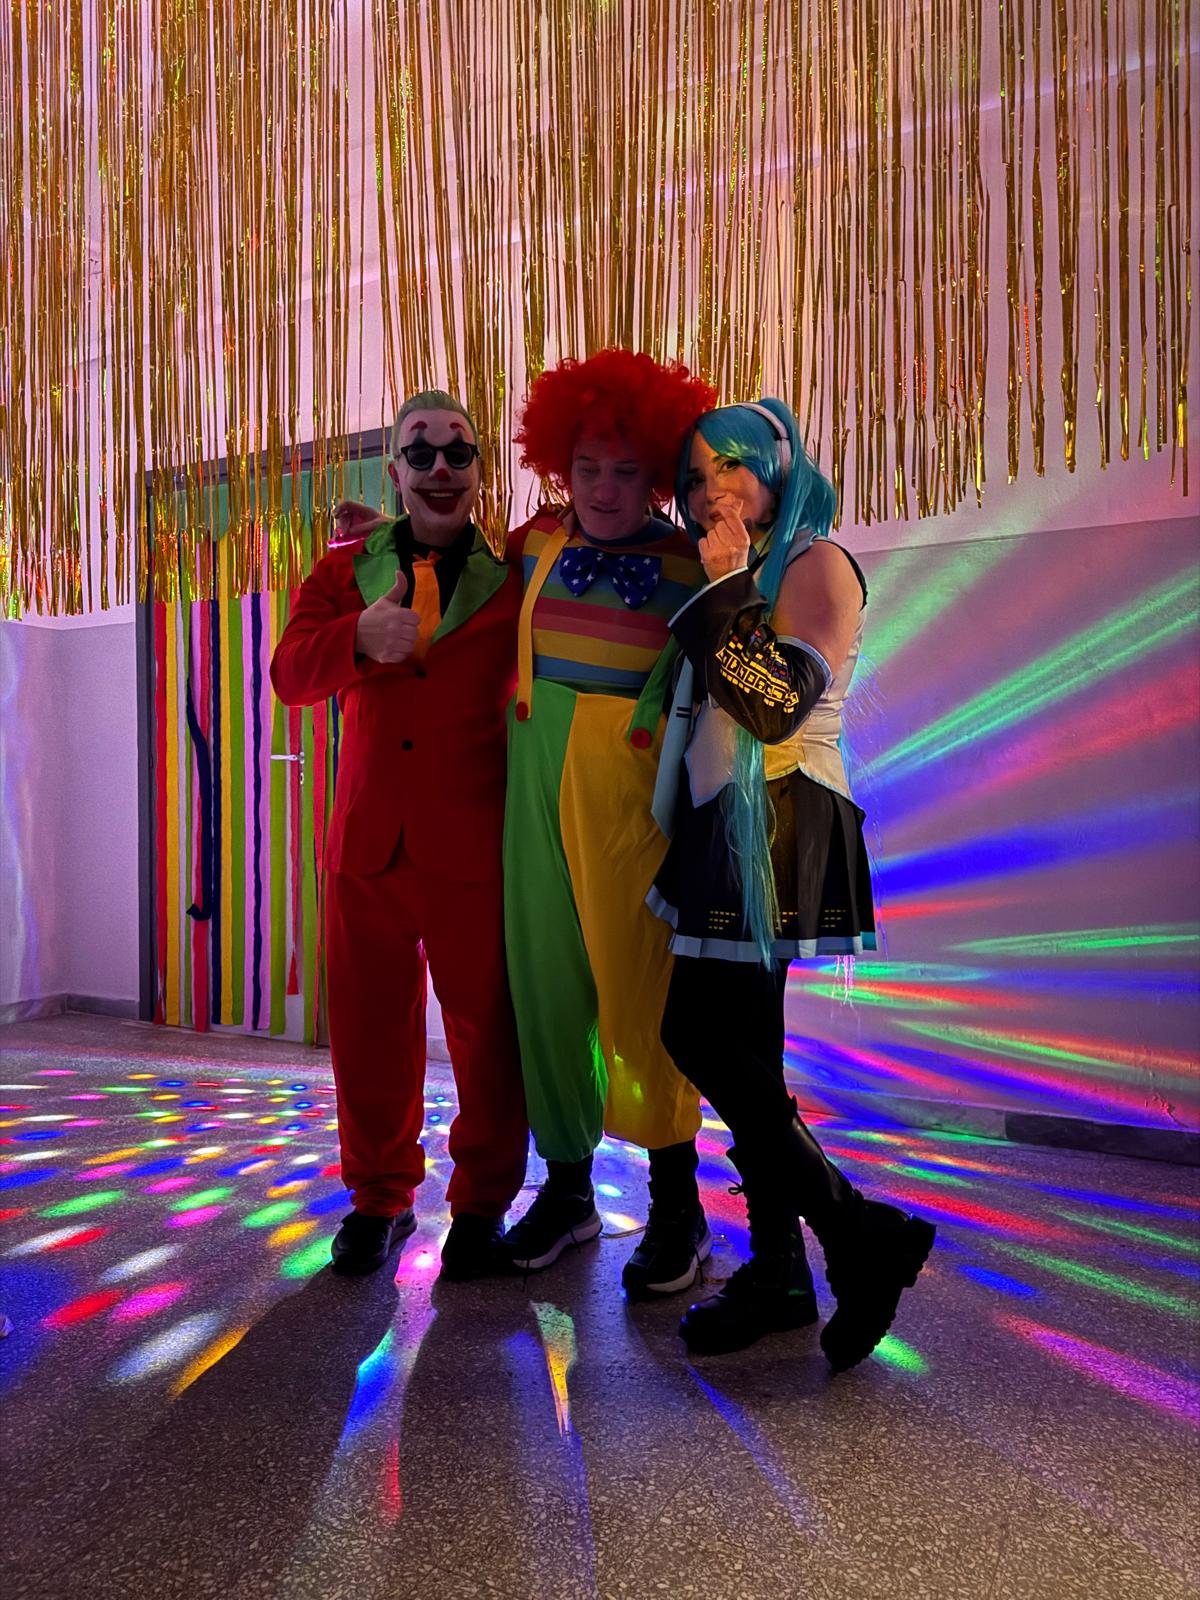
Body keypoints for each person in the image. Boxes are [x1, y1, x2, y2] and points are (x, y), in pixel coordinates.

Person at [649, 398, 935, 1370]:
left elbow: (775, 706)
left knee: (700, 1036)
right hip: (726, 822)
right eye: (694, 477)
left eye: (731, 464)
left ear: (779, 466)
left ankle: (854, 1234)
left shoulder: (816, 562)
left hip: (776, 822)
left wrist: (726, 583)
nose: (710, 490)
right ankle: (788, 1265)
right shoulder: (755, 564)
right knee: (740, 1052)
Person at [270, 391, 528, 1281]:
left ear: (482, 467)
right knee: (369, 1034)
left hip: (474, 843)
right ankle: (379, 1198)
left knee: (487, 1039)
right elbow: (288, 675)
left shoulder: (517, 572)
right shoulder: (344, 571)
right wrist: (356, 636)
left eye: (459, 452)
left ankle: (482, 1205)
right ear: (395, 470)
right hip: (366, 845)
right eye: (421, 454)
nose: (441, 468)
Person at [498, 349, 721, 1299]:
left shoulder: (692, 565)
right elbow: (441, 554)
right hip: (532, 787)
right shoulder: (533, 546)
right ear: (560, 463)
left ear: (657, 475)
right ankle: (568, 1191)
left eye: (625, 470)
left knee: (644, 999)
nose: (601, 487)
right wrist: (368, 537)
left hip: (632, 798)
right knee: (545, 992)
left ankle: (678, 1205)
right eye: (586, 466)